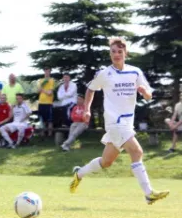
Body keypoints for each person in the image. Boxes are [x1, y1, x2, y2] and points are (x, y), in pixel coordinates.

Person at [70, 37, 169, 205]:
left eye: (119, 51)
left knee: (106, 162)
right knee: (137, 152)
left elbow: (149, 94)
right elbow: (90, 89)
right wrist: (87, 109)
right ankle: (148, 193)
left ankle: (79, 173)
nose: (116, 54)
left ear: (125, 53)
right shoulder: (104, 73)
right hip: (114, 122)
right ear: (110, 54)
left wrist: (145, 92)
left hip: (127, 123)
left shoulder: (135, 72)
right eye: (113, 51)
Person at [37, 68, 55, 138]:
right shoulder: (41, 80)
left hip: (48, 102)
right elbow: (38, 91)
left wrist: (43, 90)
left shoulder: (51, 80)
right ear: (44, 72)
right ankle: (42, 133)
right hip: (41, 102)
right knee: (41, 119)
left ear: (50, 72)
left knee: (50, 119)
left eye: (48, 71)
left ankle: (50, 134)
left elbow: (50, 93)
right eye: (46, 71)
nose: (47, 72)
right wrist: (42, 88)